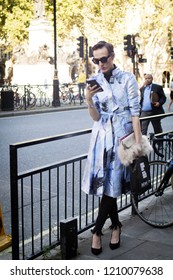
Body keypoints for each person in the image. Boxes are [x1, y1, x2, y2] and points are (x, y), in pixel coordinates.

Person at [82, 41, 142, 255]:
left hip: (122, 139)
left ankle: (97, 231)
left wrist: (138, 145)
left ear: (112, 56)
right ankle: (116, 226)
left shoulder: (127, 79)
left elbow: (135, 113)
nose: (100, 64)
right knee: (107, 185)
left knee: (112, 183)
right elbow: (96, 117)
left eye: (104, 59)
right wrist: (89, 100)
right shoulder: (94, 81)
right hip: (101, 139)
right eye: (96, 60)